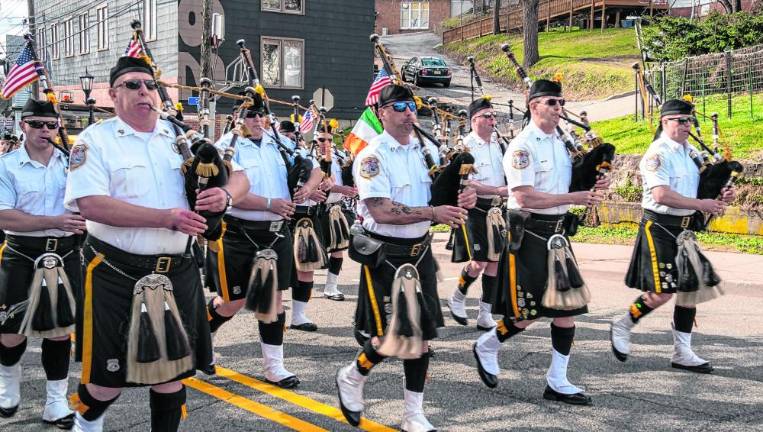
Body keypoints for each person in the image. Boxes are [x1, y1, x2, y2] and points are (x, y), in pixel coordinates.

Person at [63, 56, 248, 432]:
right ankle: (86, 425)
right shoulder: (94, 141)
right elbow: (91, 204)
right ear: (114, 94)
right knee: (104, 382)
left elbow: (240, 176)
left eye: (149, 85)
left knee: (172, 375)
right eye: (132, 85)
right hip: (116, 271)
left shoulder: (183, 137)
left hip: (177, 270)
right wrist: (165, 217)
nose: (144, 91)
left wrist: (225, 197)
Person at [335, 84, 476, 431]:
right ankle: (353, 375)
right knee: (390, 338)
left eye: (410, 105)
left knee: (421, 339)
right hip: (387, 253)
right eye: (398, 106)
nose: (408, 112)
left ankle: (413, 414)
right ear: (381, 113)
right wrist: (433, 212)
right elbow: (381, 210)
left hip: (420, 251)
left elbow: (439, 193)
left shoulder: (424, 149)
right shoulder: (372, 156)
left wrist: (462, 199)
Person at [472, 79, 608, 406]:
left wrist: (596, 180)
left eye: (561, 102)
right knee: (527, 313)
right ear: (534, 106)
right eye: (552, 102)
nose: (559, 108)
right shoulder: (522, 147)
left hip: (558, 235)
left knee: (567, 309)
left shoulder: (562, 142)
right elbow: (523, 196)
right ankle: (488, 345)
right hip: (530, 233)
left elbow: (571, 182)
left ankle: (557, 380)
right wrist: (573, 196)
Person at [610, 99, 735, 373]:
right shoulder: (657, 154)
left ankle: (682, 351)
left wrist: (720, 194)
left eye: (689, 120)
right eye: (680, 120)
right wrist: (701, 205)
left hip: (685, 230)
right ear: (664, 122)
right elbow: (661, 195)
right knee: (662, 292)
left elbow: (700, 188)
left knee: (690, 290)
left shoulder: (690, 152)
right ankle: (624, 323)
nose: (686, 125)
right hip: (660, 227)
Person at [204, 95, 317, 387]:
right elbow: (231, 191)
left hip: (275, 233)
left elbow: (315, 168)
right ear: (238, 116)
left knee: (273, 300)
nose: (257, 120)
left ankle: (274, 367)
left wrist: (306, 188)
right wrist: (270, 203)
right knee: (232, 302)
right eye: (250, 115)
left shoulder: (278, 141)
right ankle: (201, 338)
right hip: (238, 232)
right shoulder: (226, 148)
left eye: (261, 114)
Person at [0, 99, 85, 429]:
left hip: (64, 253)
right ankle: (7, 387)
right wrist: (55, 221)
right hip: (22, 253)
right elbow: (5, 215)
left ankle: (55, 402)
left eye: (51, 125)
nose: (44, 131)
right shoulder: (7, 166)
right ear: (23, 125)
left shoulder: (72, 164)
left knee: (60, 332)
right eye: (36, 124)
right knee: (10, 331)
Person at [447, 96, 508, 331]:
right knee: (479, 261)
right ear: (475, 120)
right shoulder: (466, 147)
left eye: (494, 116)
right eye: (488, 116)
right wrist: (497, 190)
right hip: (476, 209)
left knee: (494, 261)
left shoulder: (500, 144)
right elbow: (466, 183)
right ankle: (459, 296)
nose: (493, 120)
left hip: (497, 210)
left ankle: (485, 312)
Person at [277, 120, 332, 332]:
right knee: (282, 269)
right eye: (285, 135)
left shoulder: (303, 154)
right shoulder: (275, 155)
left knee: (306, 269)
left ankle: (299, 316)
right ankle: (276, 314)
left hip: (307, 218)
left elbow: (319, 177)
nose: (289, 139)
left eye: (292, 136)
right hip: (286, 216)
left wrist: (311, 189)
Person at [320, 131, 357, 301]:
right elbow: (318, 185)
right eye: (321, 139)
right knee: (309, 252)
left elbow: (343, 179)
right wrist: (341, 189)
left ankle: (331, 287)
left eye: (328, 139)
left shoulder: (337, 157)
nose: (325, 143)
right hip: (316, 212)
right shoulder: (310, 158)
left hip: (335, 209)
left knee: (337, 250)